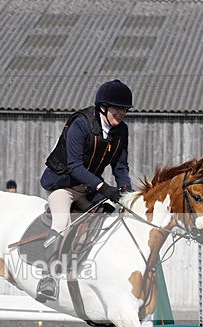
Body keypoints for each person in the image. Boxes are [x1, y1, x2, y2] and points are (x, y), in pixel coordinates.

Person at [36, 79, 135, 302]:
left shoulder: (122, 131)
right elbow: (74, 166)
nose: (121, 114)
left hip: (88, 187)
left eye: (124, 110)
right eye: (117, 108)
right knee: (62, 223)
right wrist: (104, 187)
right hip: (64, 185)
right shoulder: (81, 123)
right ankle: (48, 278)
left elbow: (120, 167)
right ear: (103, 106)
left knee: (111, 218)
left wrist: (126, 192)